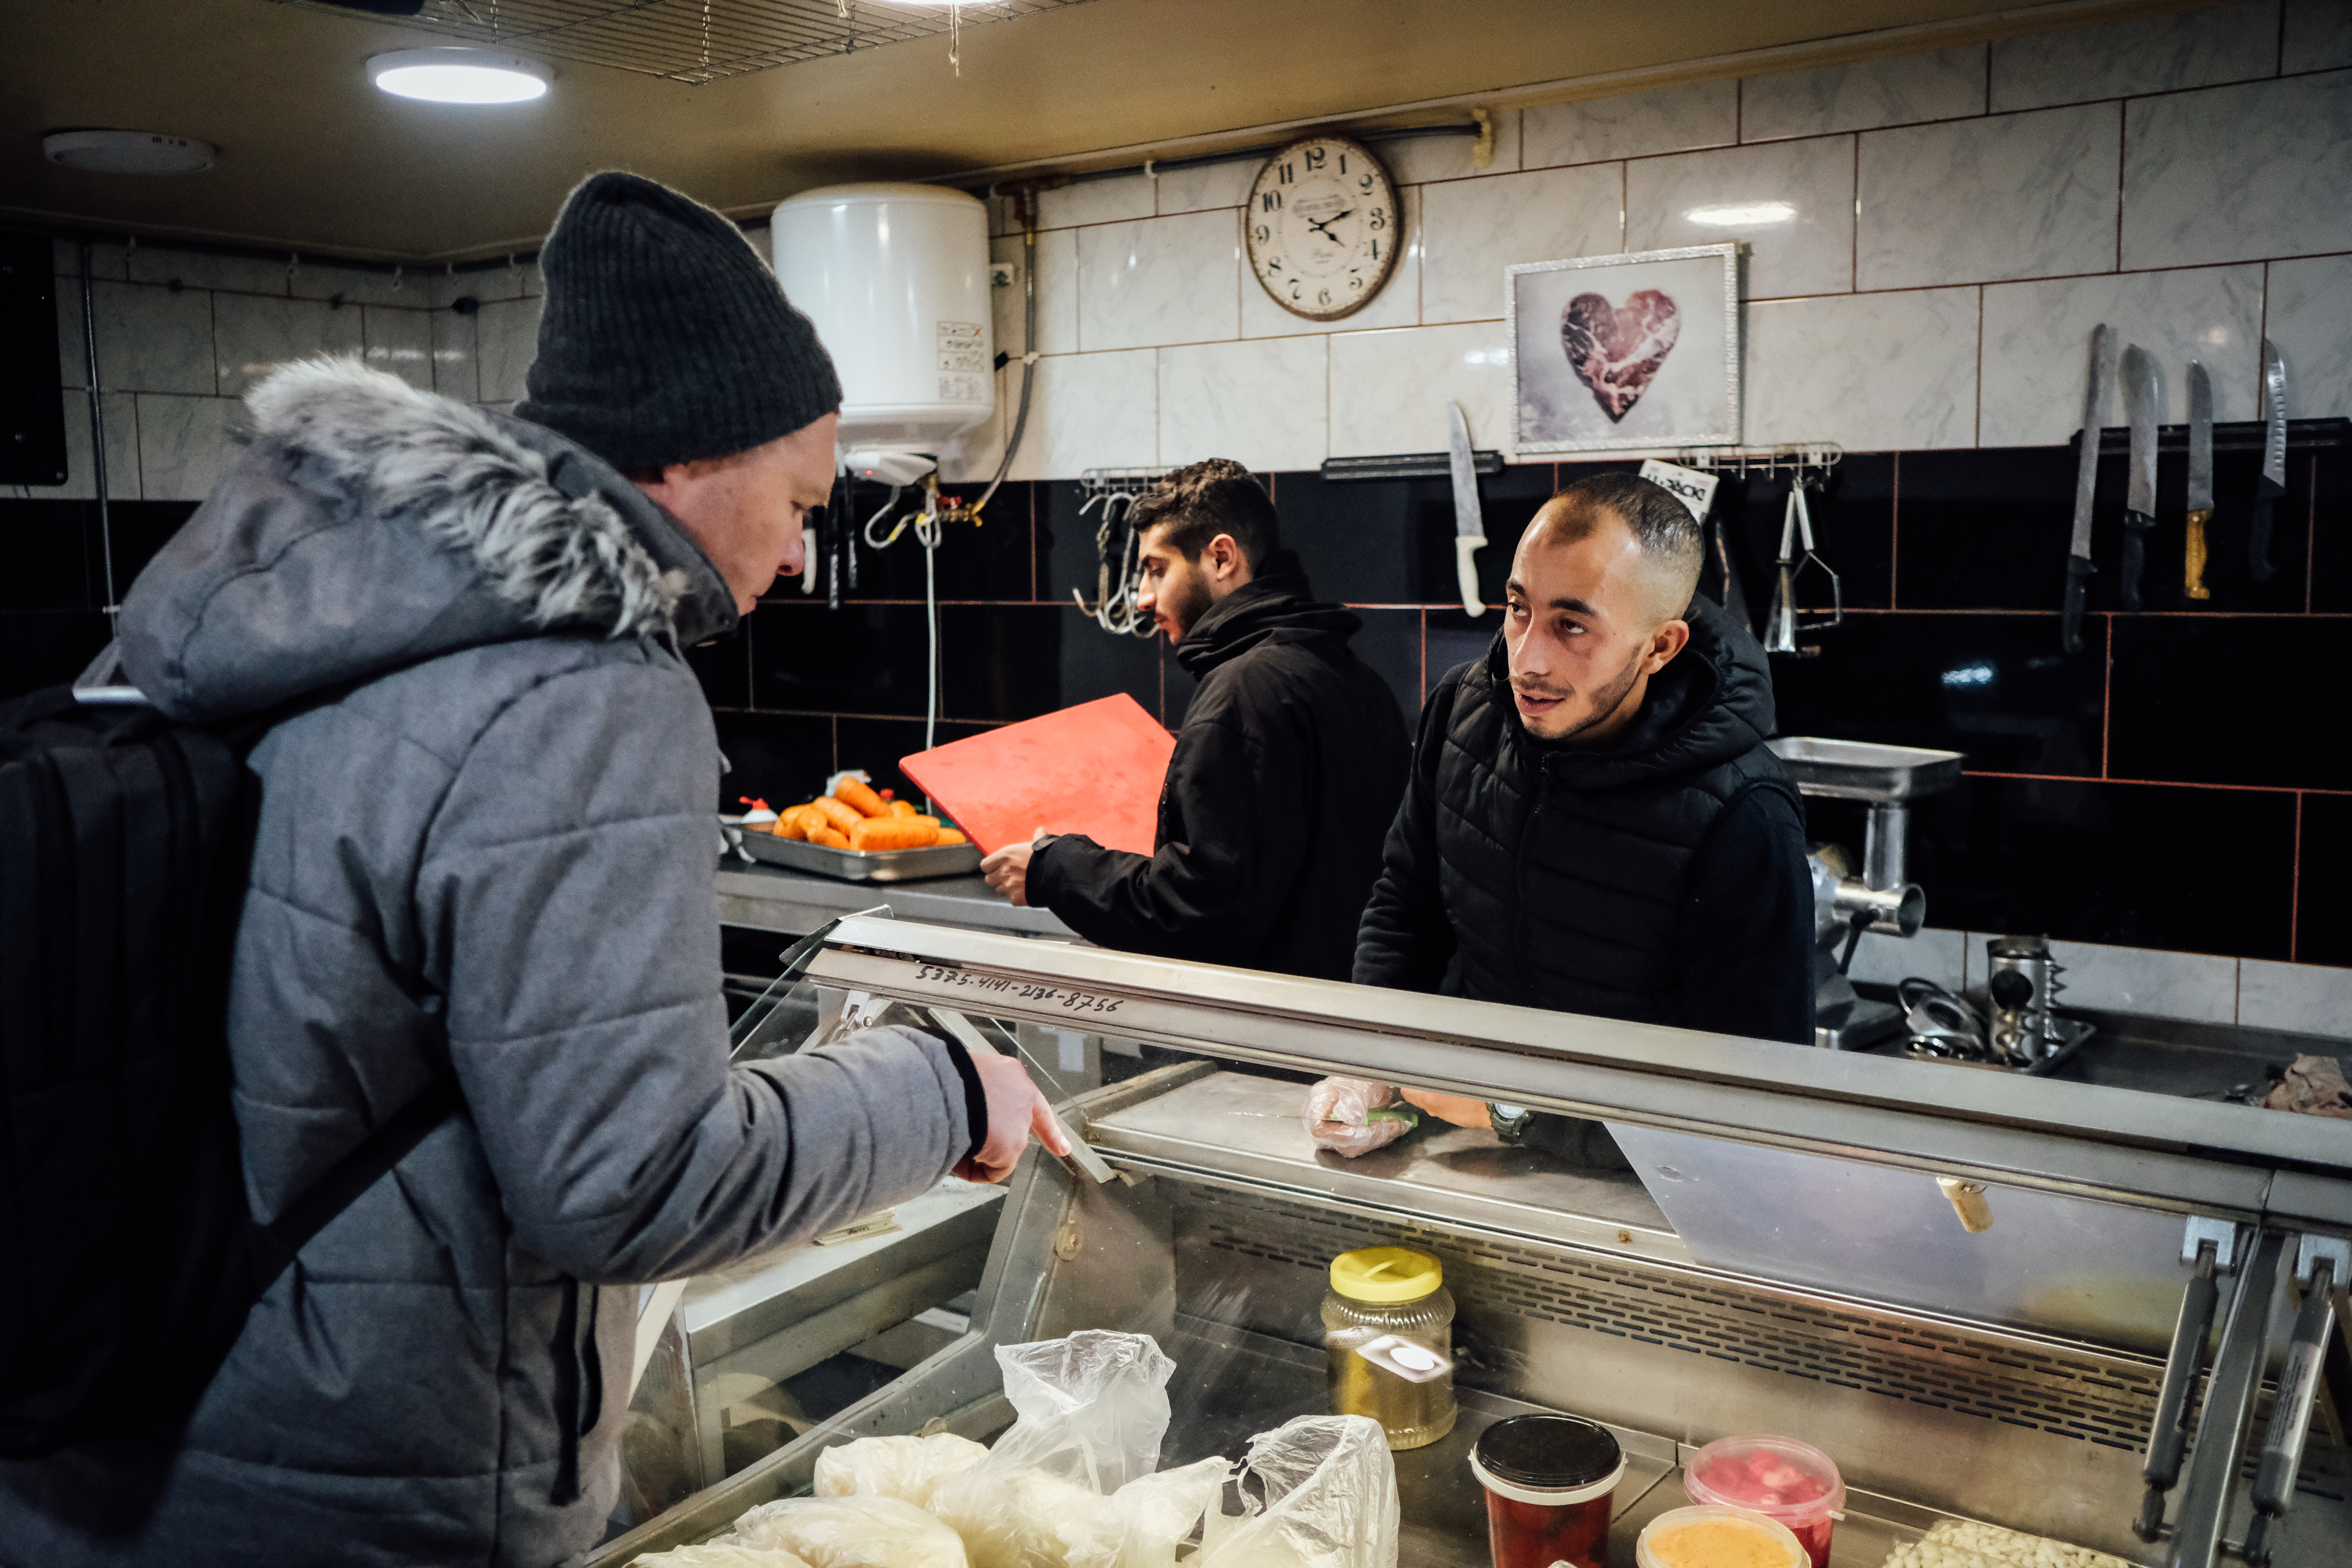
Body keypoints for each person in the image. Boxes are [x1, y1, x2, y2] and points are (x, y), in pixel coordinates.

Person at [0, 172, 1065, 1567]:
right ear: (691, 459)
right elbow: (638, 1183)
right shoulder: (582, 688)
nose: (804, 556)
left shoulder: (247, 610)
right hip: (362, 1490)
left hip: (111, 1414)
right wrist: (942, 1083)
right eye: (802, 501)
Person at [1311, 472, 1812, 1164]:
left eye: (1571, 625)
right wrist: (1368, 1059)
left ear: (1660, 648)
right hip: (1467, 1157)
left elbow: (1758, 1100)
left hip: (1650, 1198)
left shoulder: (1743, 813)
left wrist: (1517, 1114)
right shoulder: (1465, 711)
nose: (1526, 658)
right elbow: (1407, 905)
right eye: (1519, 609)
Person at [979, 459, 1409, 981]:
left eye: (1157, 569)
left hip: (1263, 1041)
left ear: (1221, 557)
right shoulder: (1356, 678)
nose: (1143, 598)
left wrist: (1054, 869)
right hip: (1346, 1019)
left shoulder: (1241, 692)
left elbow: (1199, 909)